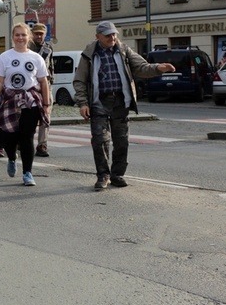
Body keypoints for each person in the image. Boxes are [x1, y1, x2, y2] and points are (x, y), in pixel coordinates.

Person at [73, 21, 175, 191]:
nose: (112, 37)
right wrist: (83, 103)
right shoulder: (89, 54)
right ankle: (103, 175)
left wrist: (159, 68)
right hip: (99, 102)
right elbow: (79, 80)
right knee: (100, 140)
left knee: (121, 141)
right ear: (98, 37)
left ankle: (117, 175)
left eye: (114, 34)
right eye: (108, 35)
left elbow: (142, 67)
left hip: (120, 101)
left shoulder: (123, 50)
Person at [0, 23, 51, 187]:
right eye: (17, 35)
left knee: (27, 137)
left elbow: (43, 81)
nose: (20, 38)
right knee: (9, 136)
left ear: (28, 37)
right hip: (10, 100)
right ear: (13, 37)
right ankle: (11, 157)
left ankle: (27, 173)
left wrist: (46, 103)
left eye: (23, 35)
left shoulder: (36, 57)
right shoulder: (5, 57)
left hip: (30, 100)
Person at [29, 23, 54, 157]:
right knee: (30, 115)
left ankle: (42, 145)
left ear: (45, 34)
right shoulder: (28, 48)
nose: (39, 36)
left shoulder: (48, 48)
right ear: (33, 34)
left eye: (41, 34)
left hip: (46, 84)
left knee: (46, 116)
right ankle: (25, 142)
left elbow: (51, 66)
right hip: (31, 85)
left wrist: (51, 82)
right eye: (37, 33)